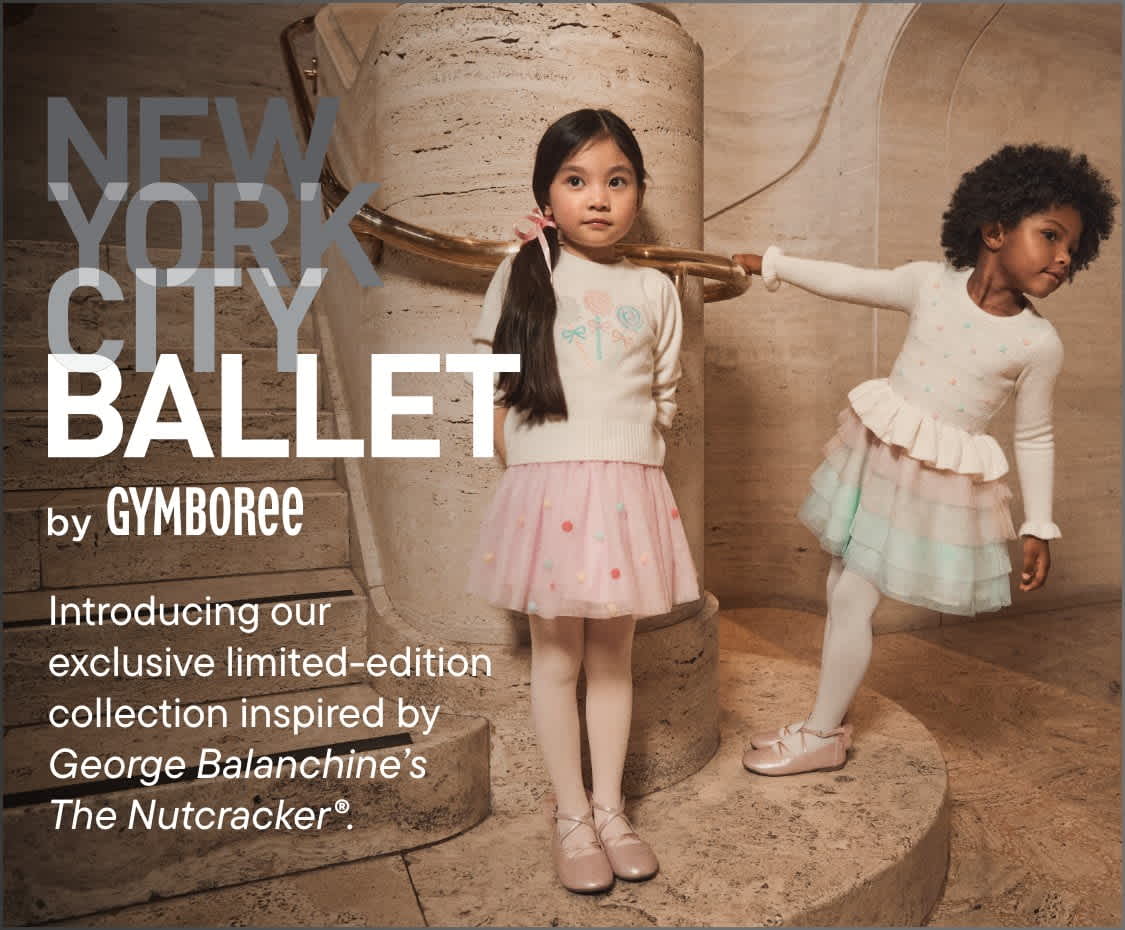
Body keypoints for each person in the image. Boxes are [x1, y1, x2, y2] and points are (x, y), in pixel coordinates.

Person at [733, 144, 1116, 777]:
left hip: (928, 483)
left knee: (853, 594)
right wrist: (774, 263)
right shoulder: (929, 283)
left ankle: (822, 733)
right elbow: (852, 281)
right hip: (878, 452)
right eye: (1050, 235)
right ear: (994, 229)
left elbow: (1037, 435)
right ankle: (824, 723)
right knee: (841, 588)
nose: (1064, 256)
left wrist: (1039, 524)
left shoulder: (1037, 343)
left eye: (1074, 247)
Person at [467, 109, 699, 892]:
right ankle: (569, 814)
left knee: (613, 656)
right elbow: (493, 386)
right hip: (549, 487)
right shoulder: (521, 272)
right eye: (576, 180)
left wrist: (631, 455)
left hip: (626, 488)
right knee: (556, 655)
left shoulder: (653, 286)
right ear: (547, 193)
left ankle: (610, 810)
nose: (596, 197)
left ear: (637, 194)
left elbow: (665, 390)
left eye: (616, 180)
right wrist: (533, 465)